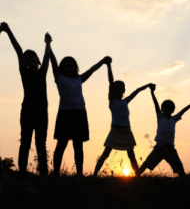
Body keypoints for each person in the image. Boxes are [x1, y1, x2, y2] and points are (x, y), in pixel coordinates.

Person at [49, 47, 112, 176]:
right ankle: (55, 173)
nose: (69, 68)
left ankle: (79, 174)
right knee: (61, 144)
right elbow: (53, 61)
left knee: (78, 145)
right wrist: (48, 45)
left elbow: (92, 69)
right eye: (66, 66)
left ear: (75, 68)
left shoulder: (79, 79)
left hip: (79, 114)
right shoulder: (59, 78)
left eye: (72, 66)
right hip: (65, 113)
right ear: (62, 68)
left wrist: (103, 61)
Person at [0, 22, 52, 176]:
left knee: (40, 144)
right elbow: (18, 50)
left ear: (37, 60)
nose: (28, 59)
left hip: (42, 113)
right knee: (25, 143)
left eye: (31, 57)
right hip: (28, 113)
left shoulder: (42, 72)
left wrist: (48, 42)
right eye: (26, 58)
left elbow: (47, 55)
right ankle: (22, 171)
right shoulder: (25, 73)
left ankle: (43, 171)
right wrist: (8, 31)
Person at [93, 60, 154, 177]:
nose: (117, 90)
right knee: (105, 153)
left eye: (119, 89)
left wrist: (148, 85)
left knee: (131, 155)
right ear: (112, 91)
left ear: (123, 91)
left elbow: (136, 91)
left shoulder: (125, 101)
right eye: (115, 89)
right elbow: (110, 81)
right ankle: (94, 174)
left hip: (126, 132)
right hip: (115, 131)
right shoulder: (112, 101)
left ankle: (138, 176)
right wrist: (109, 66)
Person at [139, 85, 190, 176]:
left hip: (170, 149)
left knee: (179, 167)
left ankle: (184, 180)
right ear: (162, 110)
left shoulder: (174, 119)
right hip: (159, 148)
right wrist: (152, 92)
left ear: (172, 111)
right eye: (165, 109)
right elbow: (155, 104)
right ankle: (136, 175)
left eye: (170, 109)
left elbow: (184, 110)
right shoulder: (160, 117)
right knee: (147, 163)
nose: (167, 111)